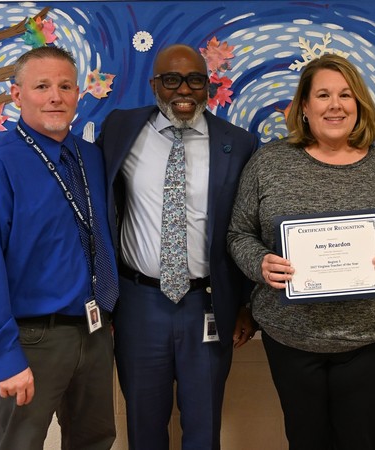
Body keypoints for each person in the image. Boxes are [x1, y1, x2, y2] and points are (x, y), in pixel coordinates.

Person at [227, 54, 375, 450]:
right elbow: (239, 233)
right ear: (304, 106)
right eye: (323, 95)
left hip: (367, 338)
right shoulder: (269, 163)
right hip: (291, 337)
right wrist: (260, 264)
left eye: (345, 95)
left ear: (359, 105)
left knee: (359, 439)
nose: (335, 105)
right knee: (305, 440)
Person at [0, 46, 119, 449]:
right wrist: (5, 357)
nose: (55, 97)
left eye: (65, 86)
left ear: (78, 93)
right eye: (42, 86)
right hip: (32, 340)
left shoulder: (91, 158)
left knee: (95, 441)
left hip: (94, 333)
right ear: (16, 95)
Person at [95, 43, 258, 450]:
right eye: (171, 80)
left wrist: (244, 304)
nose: (183, 90)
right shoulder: (119, 129)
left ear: (208, 86)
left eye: (195, 80)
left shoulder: (238, 144)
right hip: (139, 303)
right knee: (144, 426)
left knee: (203, 428)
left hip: (206, 304)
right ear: (154, 85)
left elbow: (251, 228)